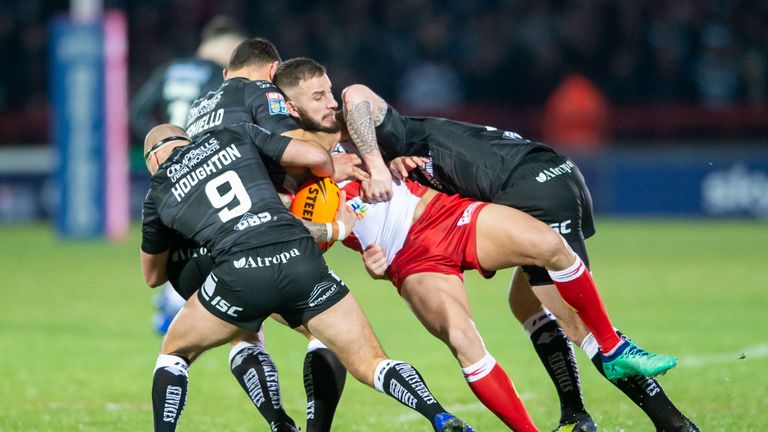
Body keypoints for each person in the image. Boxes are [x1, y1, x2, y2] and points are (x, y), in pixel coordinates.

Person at [273, 58, 688, 431]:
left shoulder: (355, 129)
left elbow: (358, 97)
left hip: (444, 213)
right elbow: (289, 230)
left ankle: (616, 368)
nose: (330, 102)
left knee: (548, 246)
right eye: (317, 96)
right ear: (292, 109)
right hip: (407, 258)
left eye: (328, 90)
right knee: (463, 339)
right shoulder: (290, 168)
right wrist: (345, 236)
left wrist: (382, 163)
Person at [140, 123, 475, 432]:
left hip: (240, 274)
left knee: (175, 352)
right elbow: (313, 156)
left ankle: (276, 424)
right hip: (300, 256)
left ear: (154, 159)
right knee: (371, 362)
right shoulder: (232, 134)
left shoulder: (157, 193)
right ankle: (437, 414)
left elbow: (153, 276)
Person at [184, 37, 364, 432]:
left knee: (244, 333)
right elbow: (298, 146)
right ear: (272, 71)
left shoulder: (198, 108)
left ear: (226, 74)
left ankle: (279, 423)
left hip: (205, 237)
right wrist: (333, 158)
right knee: (330, 331)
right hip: (259, 232)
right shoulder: (262, 89)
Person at [130, 16, 246, 335]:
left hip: (168, 165)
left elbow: (137, 111)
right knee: (202, 235)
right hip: (200, 163)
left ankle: (169, 302)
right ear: (226, 48)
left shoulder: (169, 69)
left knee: (173, 233)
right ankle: (175, 302)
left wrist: (156, 148)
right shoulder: (216, 76)